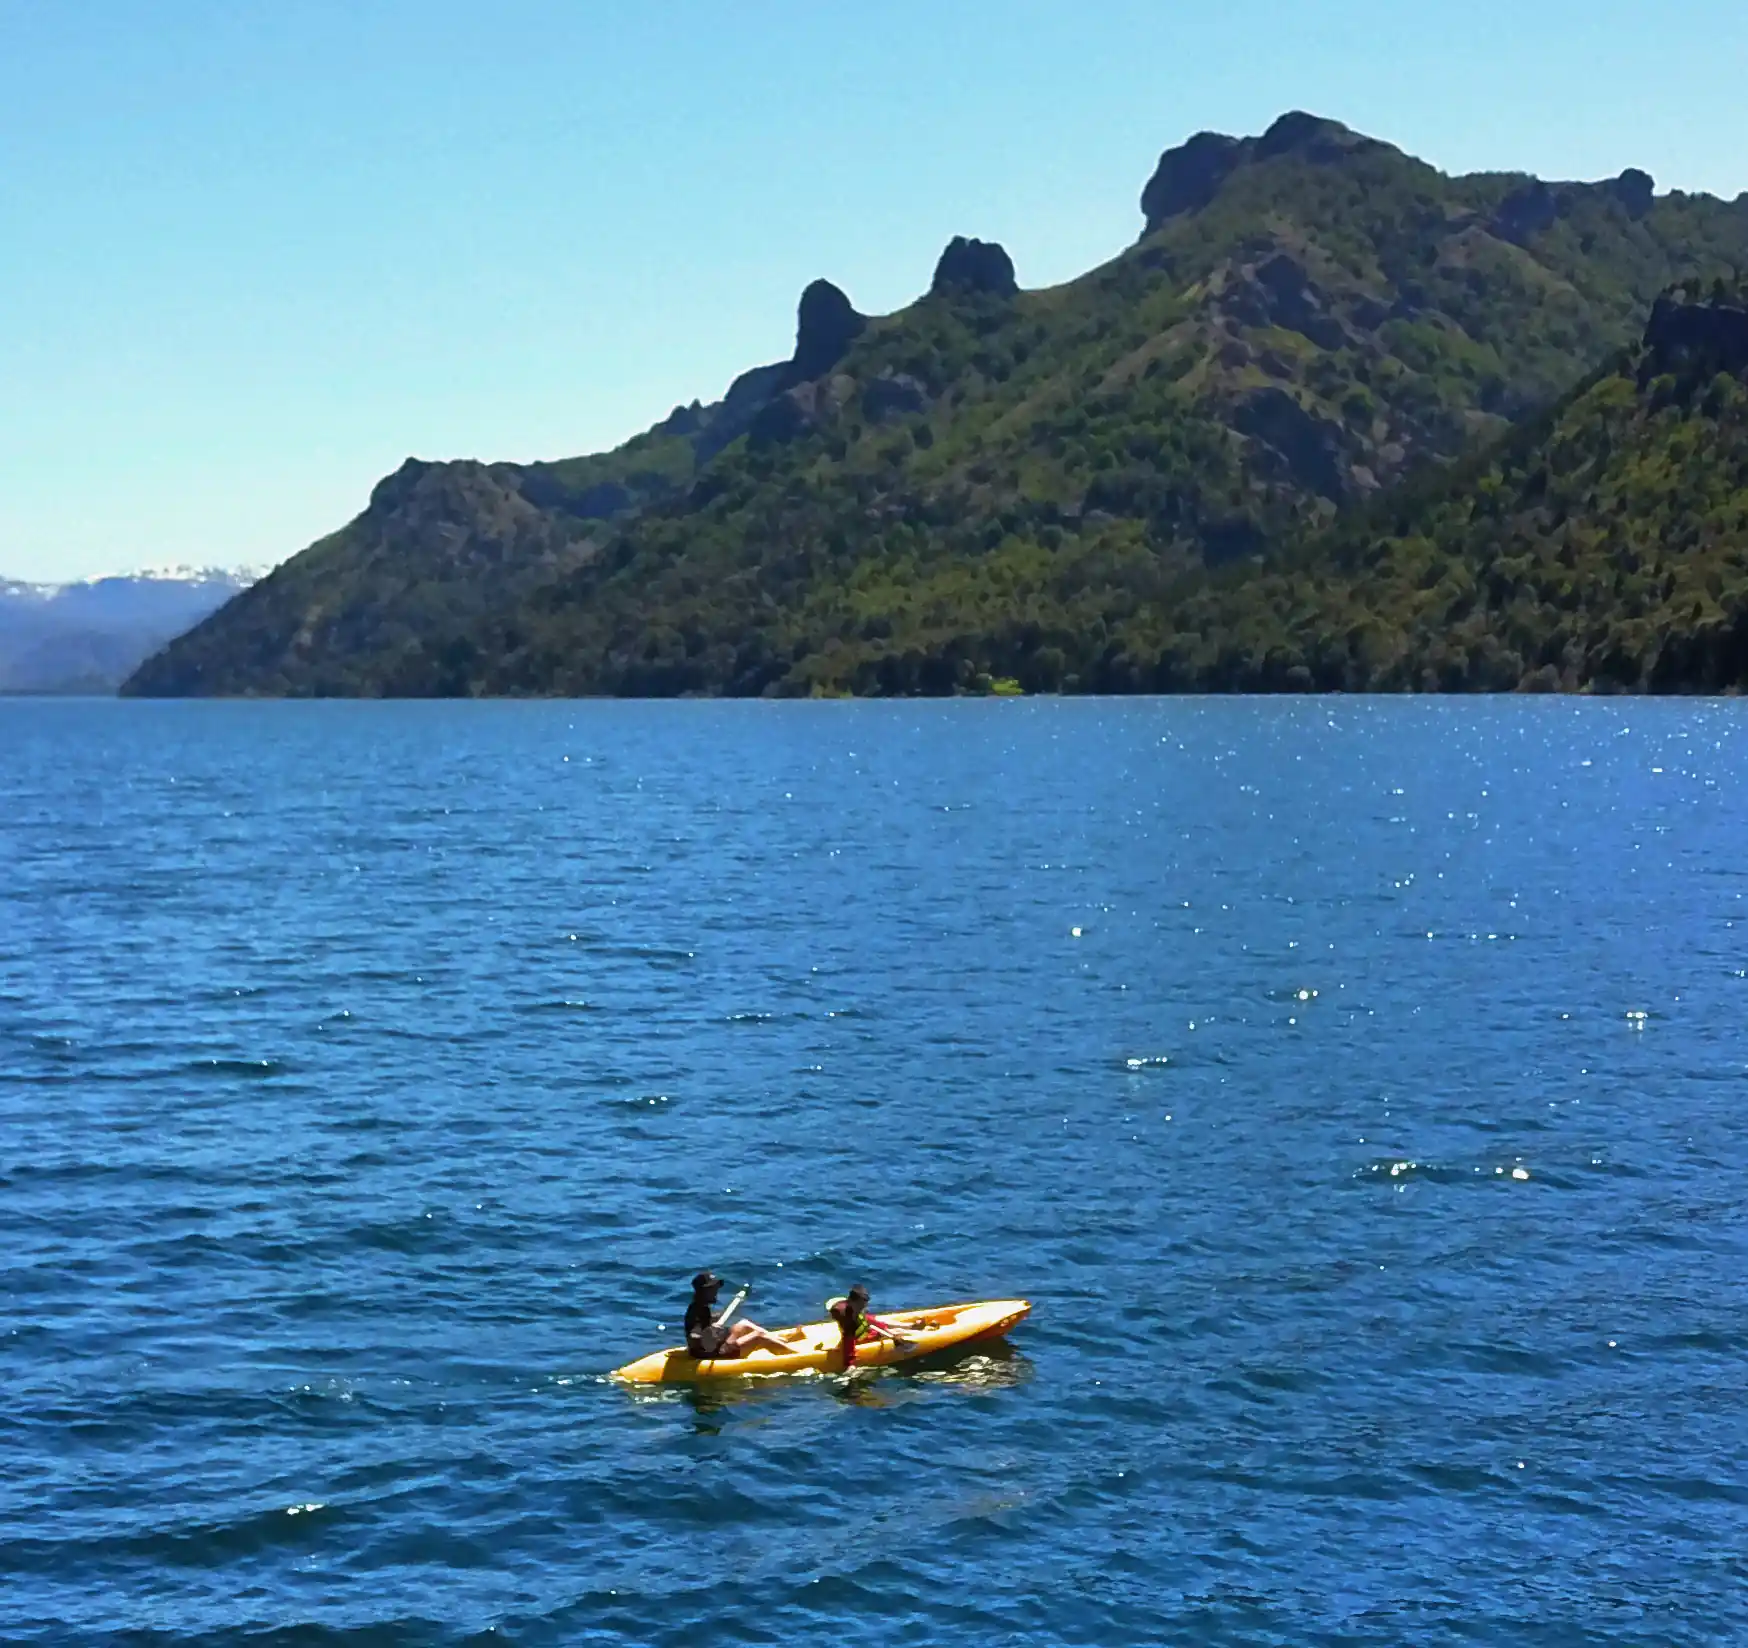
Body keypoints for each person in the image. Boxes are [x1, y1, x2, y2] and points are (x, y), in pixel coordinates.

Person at [684, 1272, 795, 1361]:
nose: (716, 1291)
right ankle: (795, 1355)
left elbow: (705, 1321)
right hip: (714, 1352)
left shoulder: (702, 1306)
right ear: (703, 1291)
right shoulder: (696, 1310)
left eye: (716, 1287)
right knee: (758, 1335)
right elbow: (694, 1335)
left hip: (717, 1343)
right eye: (712, 1289)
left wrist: (717, 1318)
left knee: (743, 1324)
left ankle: (779, 1340)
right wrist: (709, 1330)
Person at [829, 1283, 909, 1366]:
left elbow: (868, 1320)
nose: (865, 1306)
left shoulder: (853, 1309)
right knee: (898, 1331)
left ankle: (911, 1327)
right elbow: (848, 1340)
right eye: (863, 1304)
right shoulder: (849, 1319)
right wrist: (850, 1363)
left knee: (892, 1329)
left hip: (866, 1333)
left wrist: (884, 1327)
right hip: (862, 1339)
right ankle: (916, 1332)